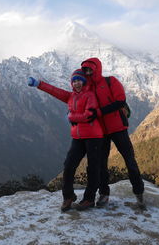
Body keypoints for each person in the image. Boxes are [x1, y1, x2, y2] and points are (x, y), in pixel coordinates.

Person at [28, 69, 104, 211]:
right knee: (68, 166)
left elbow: (89, 115)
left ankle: (89, 199)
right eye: (74, 81)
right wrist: (38, 84)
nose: (76, 83)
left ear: (84, 81)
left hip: (93, 136)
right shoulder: (71, 96)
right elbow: (55, 91)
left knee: (93, 168)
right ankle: (68, 196)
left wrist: (71, 117)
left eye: (79, 80)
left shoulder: (90, 96)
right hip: (78, 137)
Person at [80, 57, 145, 207]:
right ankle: (104, 194)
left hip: (118, 128)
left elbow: (120, 101)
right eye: (86, 70)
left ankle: (139, 193)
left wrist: (99, 112)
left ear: (97, 69)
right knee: (101, 164)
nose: (88, 72)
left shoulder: (111, 81)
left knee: (130, 160)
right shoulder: (87, 88)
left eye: (90, 69)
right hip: (100, 131)